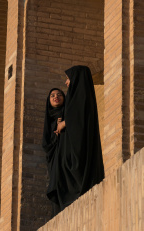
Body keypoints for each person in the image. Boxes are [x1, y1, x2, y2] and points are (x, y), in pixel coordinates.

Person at [44, 65, 105, 216]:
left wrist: (65, 123)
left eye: (68, 78)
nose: (66, 83)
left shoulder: (80, 96)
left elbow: (79, 117)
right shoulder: (77, 96)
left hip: (77, 151)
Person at [41, 87, 66, 217]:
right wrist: (55, 136)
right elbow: (46, 144)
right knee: (56, 183)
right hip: (54, 158)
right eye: (52, 95)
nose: (56, 97)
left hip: (66, 155)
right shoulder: (50, 118)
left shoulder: (67, 113)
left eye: (59, 94)